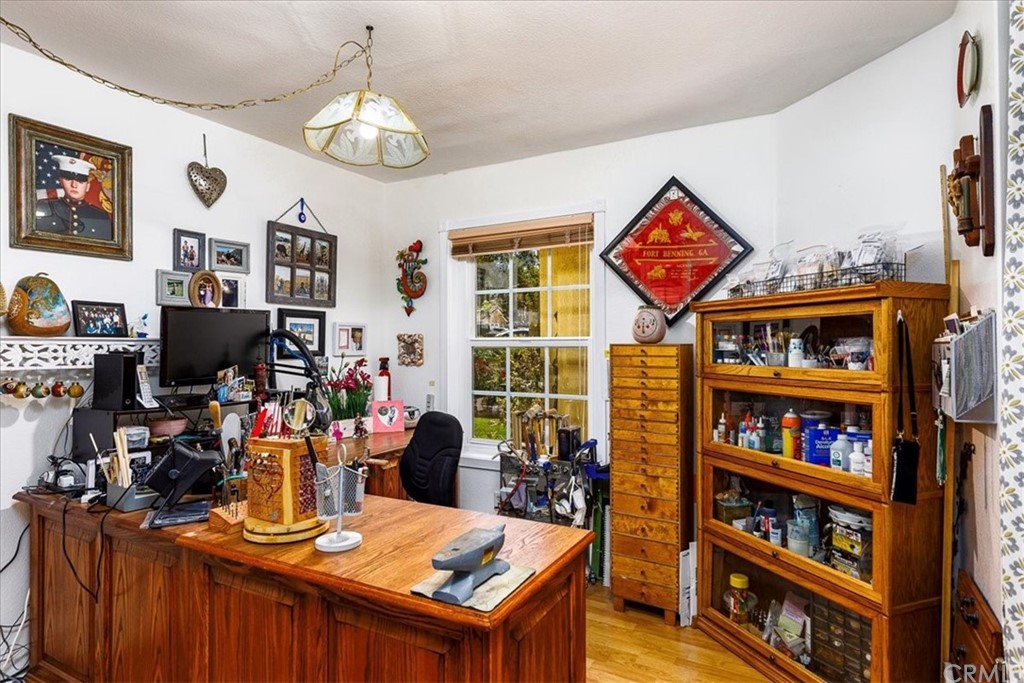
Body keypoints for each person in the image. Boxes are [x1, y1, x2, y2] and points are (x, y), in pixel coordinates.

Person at [34, 155, 112, 239]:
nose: (74, 185)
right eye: (68, 179)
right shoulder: (43, 206)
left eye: (80, 181)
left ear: (88, 186)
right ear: (61, 181)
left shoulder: (101, 215)